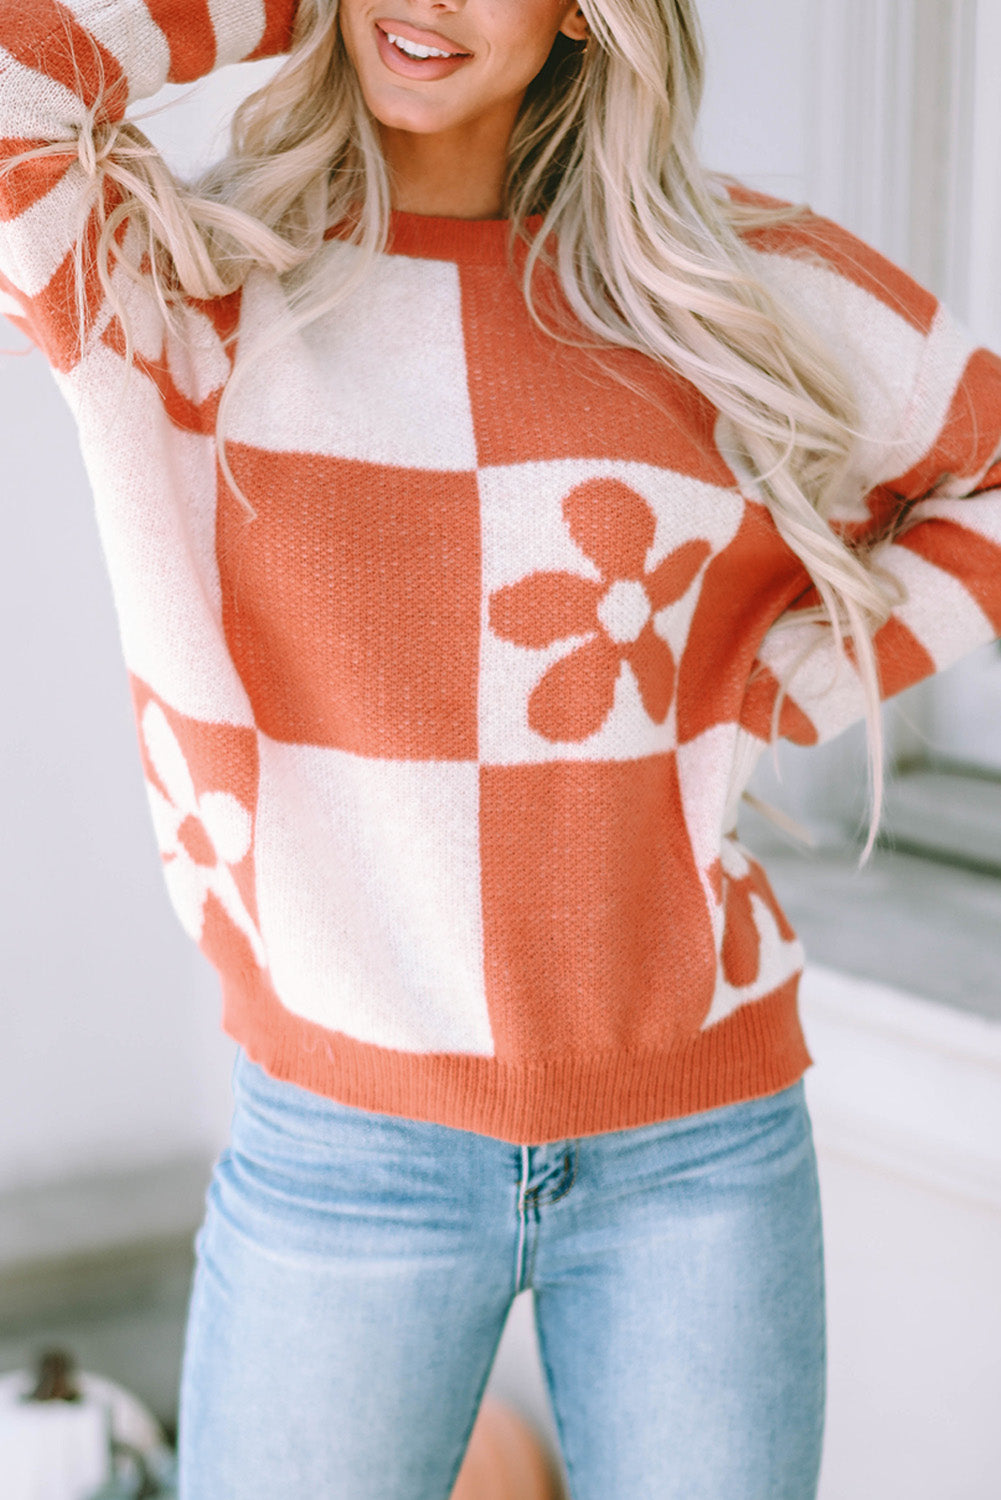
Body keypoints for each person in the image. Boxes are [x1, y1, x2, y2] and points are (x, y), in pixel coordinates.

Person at [2, 0, 999, 1496]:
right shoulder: (184, 279)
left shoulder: (720, 289)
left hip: (698, 1144)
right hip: (344, 1153)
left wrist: (764, 691)